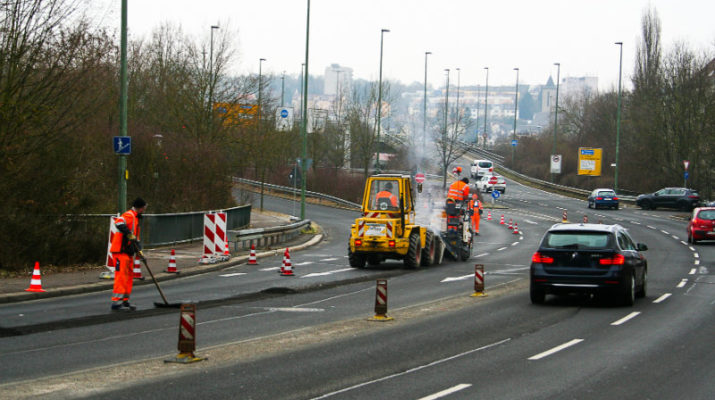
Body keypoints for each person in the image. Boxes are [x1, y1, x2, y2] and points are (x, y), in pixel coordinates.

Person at [110, 197, 147, 311]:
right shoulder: (129, 215)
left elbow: (137, 240)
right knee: (121, 276)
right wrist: (128, 233)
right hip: (121, 251)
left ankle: (125, 300)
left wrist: (140, 252)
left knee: (128, 276)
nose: (144, 211)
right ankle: (116, 302)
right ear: (140, 208)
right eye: (144, 208)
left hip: (128, 252)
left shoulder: (136, 220)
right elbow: (118, 222)